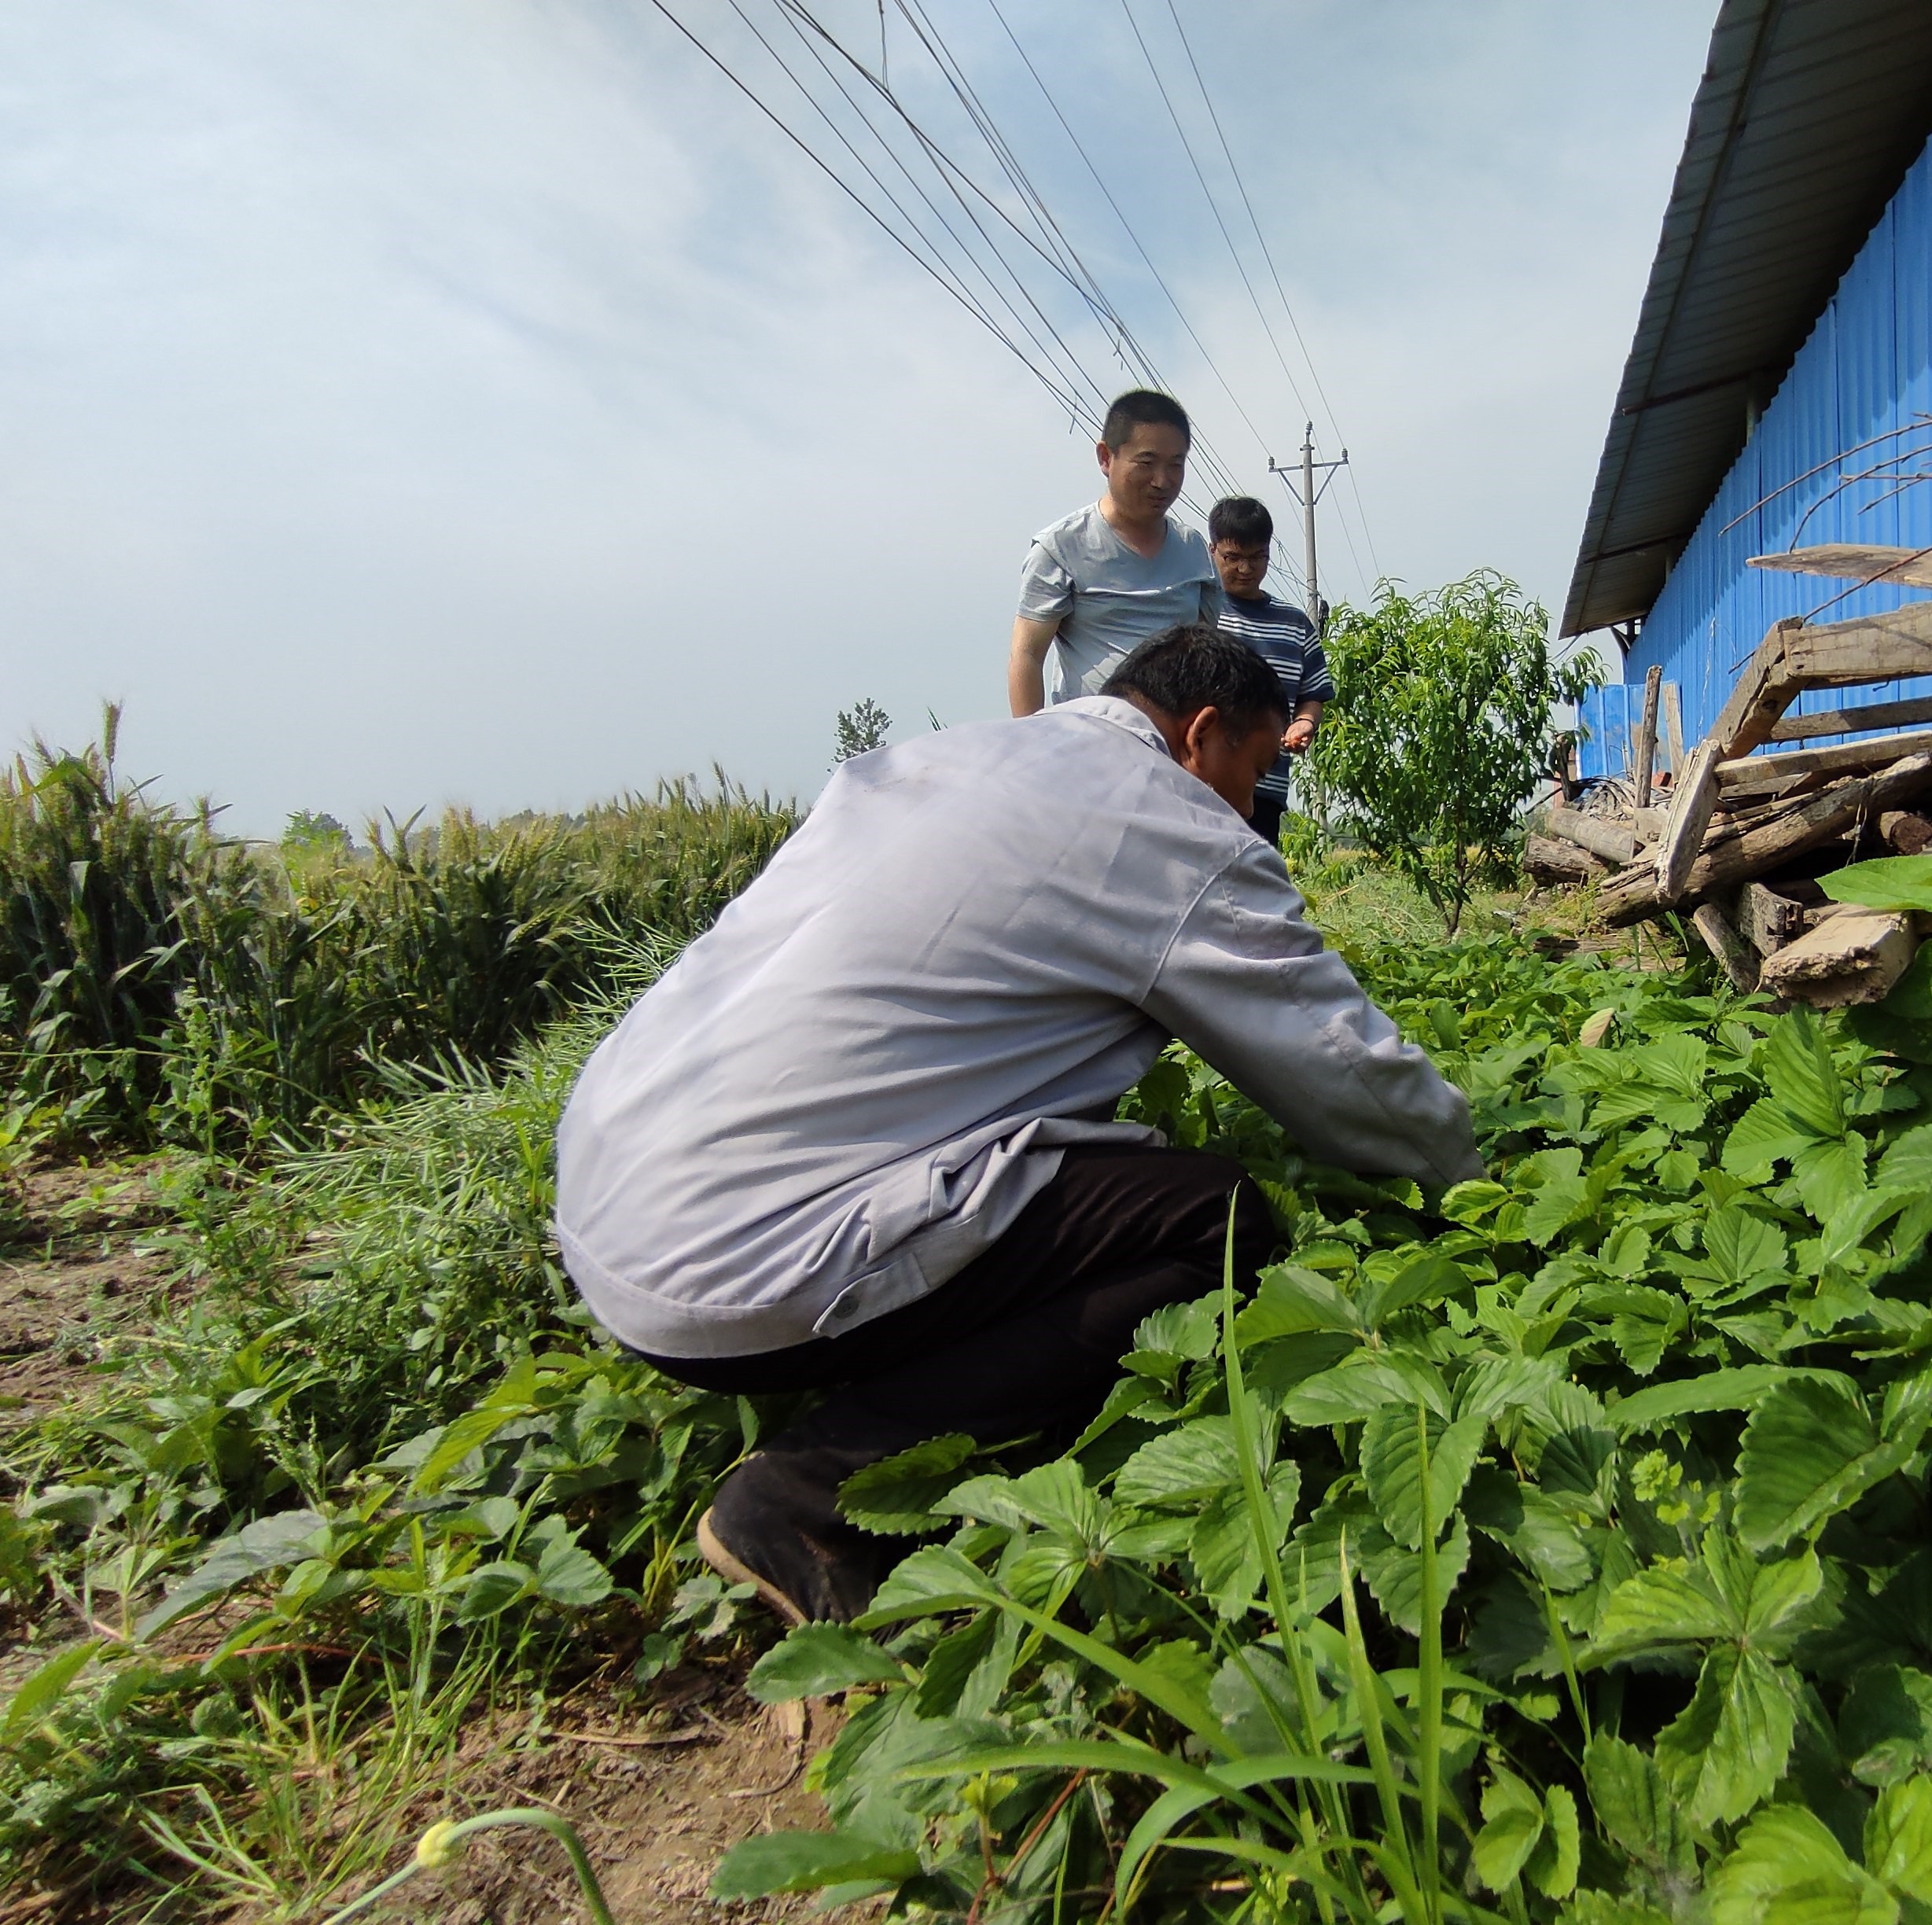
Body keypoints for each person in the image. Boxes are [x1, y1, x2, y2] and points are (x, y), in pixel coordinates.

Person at [554, 624, 1481, 1624]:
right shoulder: (1171, 825)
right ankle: (806, 1496)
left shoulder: (939, 756)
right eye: (1254, 772)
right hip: (727, 1276)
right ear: (1201, 736)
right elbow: (1349, 1074)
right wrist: (1475, 1187)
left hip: (608, 1204)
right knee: (1215, 1224)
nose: (1254, 810)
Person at [1009, 389, 1222, 716]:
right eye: (1146, 463)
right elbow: (1027, 654)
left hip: (1173, 748)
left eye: (1175, 465)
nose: (1162, 481)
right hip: (1088, 743)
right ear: (1106, 458)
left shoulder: (1195, 552)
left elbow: (1209, 652)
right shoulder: (1061, 549)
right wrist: (1029, 748)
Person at [1208, 495, 1334, 846]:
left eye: (1256, 557)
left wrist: (1304, 723)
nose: (1245, 569)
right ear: (1212, 550)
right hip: (1202, 783)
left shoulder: (1295, 625)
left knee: (1252, 890)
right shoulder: (1200, 613)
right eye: (1233, 558)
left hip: (1266, 786)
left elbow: (1313, 695)